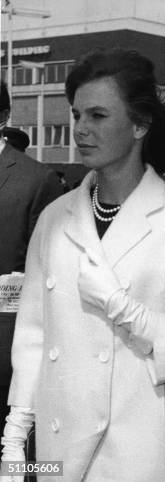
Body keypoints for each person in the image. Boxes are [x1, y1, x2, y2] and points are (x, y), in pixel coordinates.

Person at [0, 49, 165, 481]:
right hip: (57, 447)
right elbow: (33, 336)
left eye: (99, 115)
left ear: (140, 124)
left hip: (137, 449)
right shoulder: (54, 218)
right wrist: (13, 440)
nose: (81, 129)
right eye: (77, 114)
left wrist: (125, 308)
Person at [0, 81, 63, 435]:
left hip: (7, 349)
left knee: (13, 462)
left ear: (4, 117)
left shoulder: (37, 180)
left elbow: (50, 273)